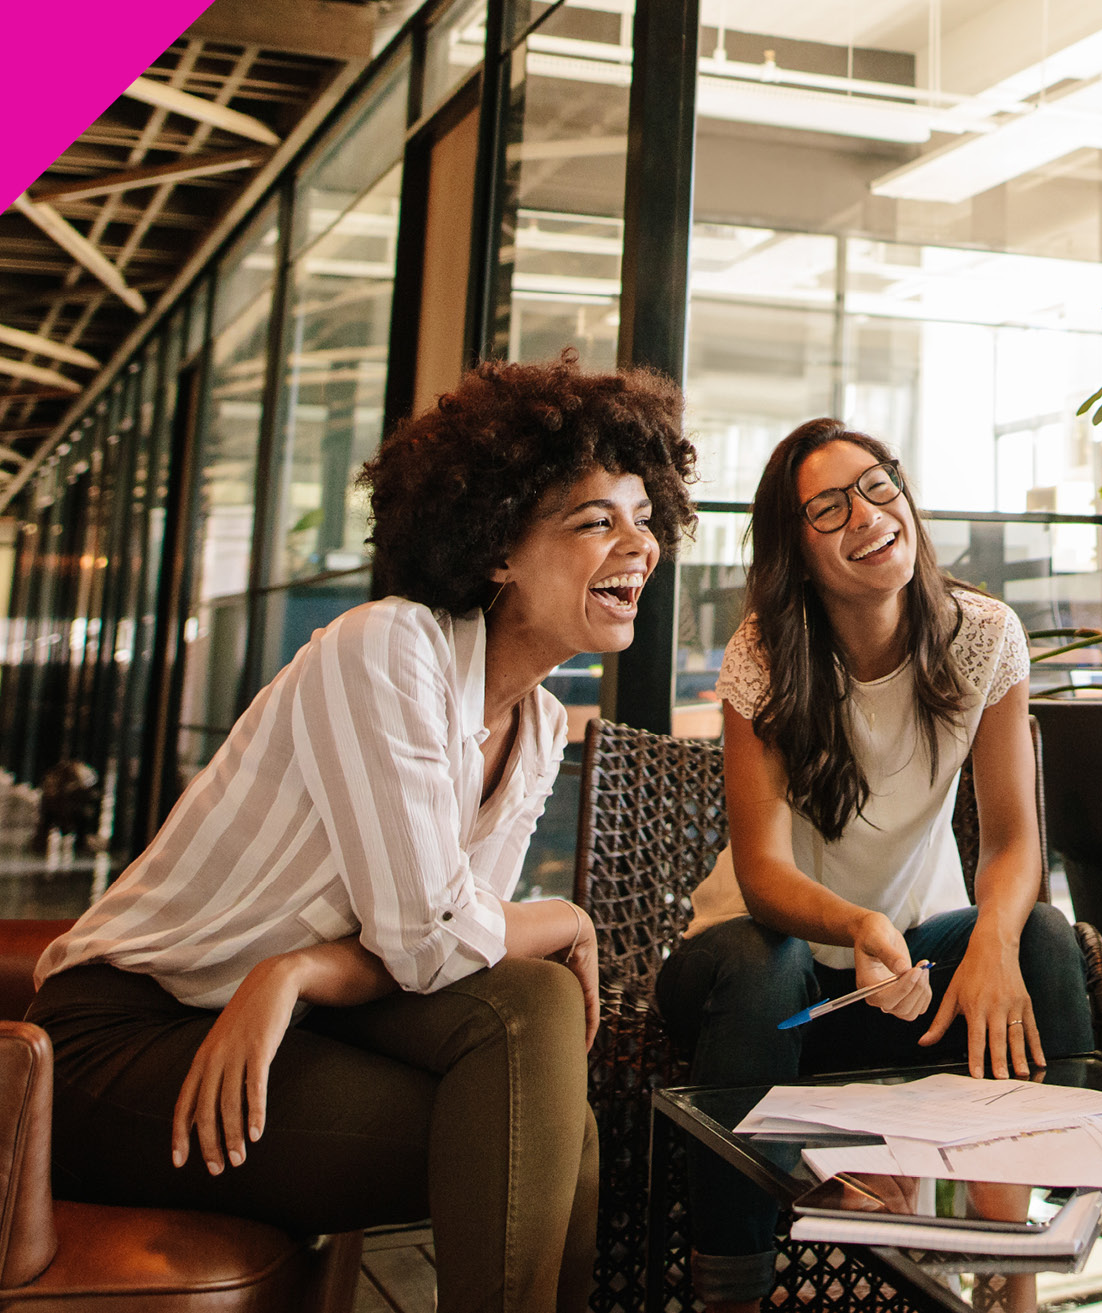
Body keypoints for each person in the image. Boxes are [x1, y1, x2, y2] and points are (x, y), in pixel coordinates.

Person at [30, 354, 699, 1313]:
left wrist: (295, 971)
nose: (638, 544)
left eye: (645, 518)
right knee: (537, 1108)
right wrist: (564, 917)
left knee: (536, 1023)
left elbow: (447, 953)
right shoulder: (388, 647)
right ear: (499, 548)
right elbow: (434, 939)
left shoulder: (542, 724)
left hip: (288, 1016)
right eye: (597, 519)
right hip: (121, 1042)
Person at [654, 419, 1093, 1311]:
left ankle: (1025, 1271)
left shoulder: (984, 636)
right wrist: (858, 923)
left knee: (1042, 939)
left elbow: (1012, 840)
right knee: (762, 956)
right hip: (757, 993)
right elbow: (763, 873)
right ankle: (730, 1290)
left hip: (892, 985)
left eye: (879, 484)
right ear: (797, 551)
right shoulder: (767, 657)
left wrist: (996, 940)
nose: (868, 512)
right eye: (829, 507)